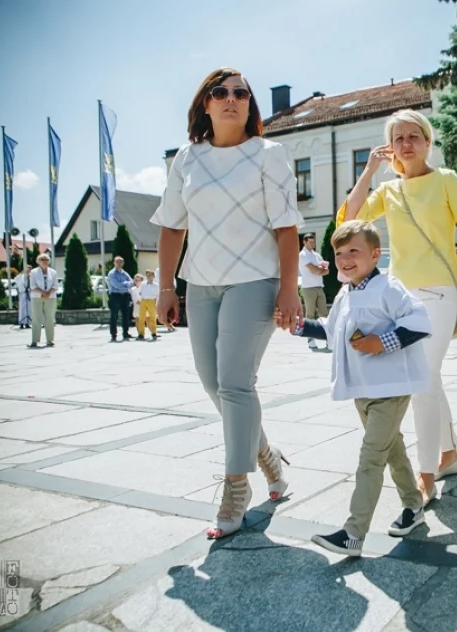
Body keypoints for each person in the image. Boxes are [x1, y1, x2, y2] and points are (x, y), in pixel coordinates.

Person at [152, 67, 303, 539]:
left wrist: (288, 288)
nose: (231, 99)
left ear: (250, 104)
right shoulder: (187, 158)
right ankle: (269, 459)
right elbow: (172, 226)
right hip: (201, 283)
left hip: (255, 280)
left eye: (241, 92)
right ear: (206, 103)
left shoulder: (269, 153)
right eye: (221, 92)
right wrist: (165, 286)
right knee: (213, 384)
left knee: (236, 383)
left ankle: (237, 486)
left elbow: (286, 228)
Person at [337, 109, 457, 505]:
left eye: (414, 136)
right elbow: (349, 220)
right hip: (400, 297)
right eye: (398, 138)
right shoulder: (388, 191)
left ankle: (427, 472)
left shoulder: (447, 180)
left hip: (439, 292)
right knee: (428, 378)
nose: (406, 144)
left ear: (428, 142)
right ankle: (448, 454)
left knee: (420, 378)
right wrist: (368, 171)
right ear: (390, 147)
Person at [278, 221, 430, 556]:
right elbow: (330, 332)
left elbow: (419, 321)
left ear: (375, 255)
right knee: (392, 449)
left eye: (353, 251)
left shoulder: (389, 287)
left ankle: (353, 533)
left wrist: (383, 341)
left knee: (371, 457)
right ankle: (414, 506)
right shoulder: (346, 294)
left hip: (390, 388)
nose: (345, 259)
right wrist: (298, 325)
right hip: (364, 390)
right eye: (339, 252)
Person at [299, 232, 330, 350]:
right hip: (308, 288)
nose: (312, 244)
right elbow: (315, 270)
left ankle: (328, 338)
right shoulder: (302, 255)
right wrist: (321, 270)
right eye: (310, 242)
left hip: (319, 287)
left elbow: (326, 271)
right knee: (310, 315)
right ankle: (311, 340)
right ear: (304, 242)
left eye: (313, 242)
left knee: (324, 314)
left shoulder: (316, 255)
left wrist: (321, 270)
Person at [28, 254, 58, 348]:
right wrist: (42, 292)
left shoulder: (53, 272)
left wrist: (48, 293)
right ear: (38, 261)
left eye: (46, 259)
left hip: (51, 297)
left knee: (49, 318)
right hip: (37, 297)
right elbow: (32, 286)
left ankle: (50, 340)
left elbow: (55, 286)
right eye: (42, 259)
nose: (44, 261)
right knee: (36, 318)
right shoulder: (33, 272)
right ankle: (34, 340)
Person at [106, 256, 134, 342]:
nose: (119, 263)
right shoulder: (112, 274)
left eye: (121, 262)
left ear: (123, 263)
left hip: (125, 296)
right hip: (115, 296)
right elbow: (116, 285)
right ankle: (113, 334)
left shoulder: (124, 273)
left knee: (126, 315)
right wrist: (126, 284)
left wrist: (124, 284)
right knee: (114, 315)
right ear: (114, 263)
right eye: (117, 262)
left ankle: (125, 333)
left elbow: (132, 282)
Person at [138, 270, 160, 341]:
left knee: (152, 317)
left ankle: (154, 332)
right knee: (141, 318)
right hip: (143, 300)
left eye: (150, 275)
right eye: (147, 275)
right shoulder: (143, 284)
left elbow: (157, 295)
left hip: (151, 301)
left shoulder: (156, 285)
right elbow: (140, 292)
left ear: (153, 276)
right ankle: (141, 333)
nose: (148, 277)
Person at [14, 264, 32, 329]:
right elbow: (16, 280)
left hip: (29, 294)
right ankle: (21, 323)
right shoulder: (21, 276)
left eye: (30, 269)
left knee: (28, 309)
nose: (29, 270)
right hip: (23, 294)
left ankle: (27, 323)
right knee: (22, 309)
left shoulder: (30, 277)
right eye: (28, 269)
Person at [130, 274, 144, 339]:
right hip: (137, 306)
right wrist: (139, 302)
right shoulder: (132, 289)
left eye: (138, 280)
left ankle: (153, 332)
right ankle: (140, 333)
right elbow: (134, 299)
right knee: (137, 319)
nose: (137, 281)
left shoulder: (144, 288)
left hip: (145, 305)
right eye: (135, 280)